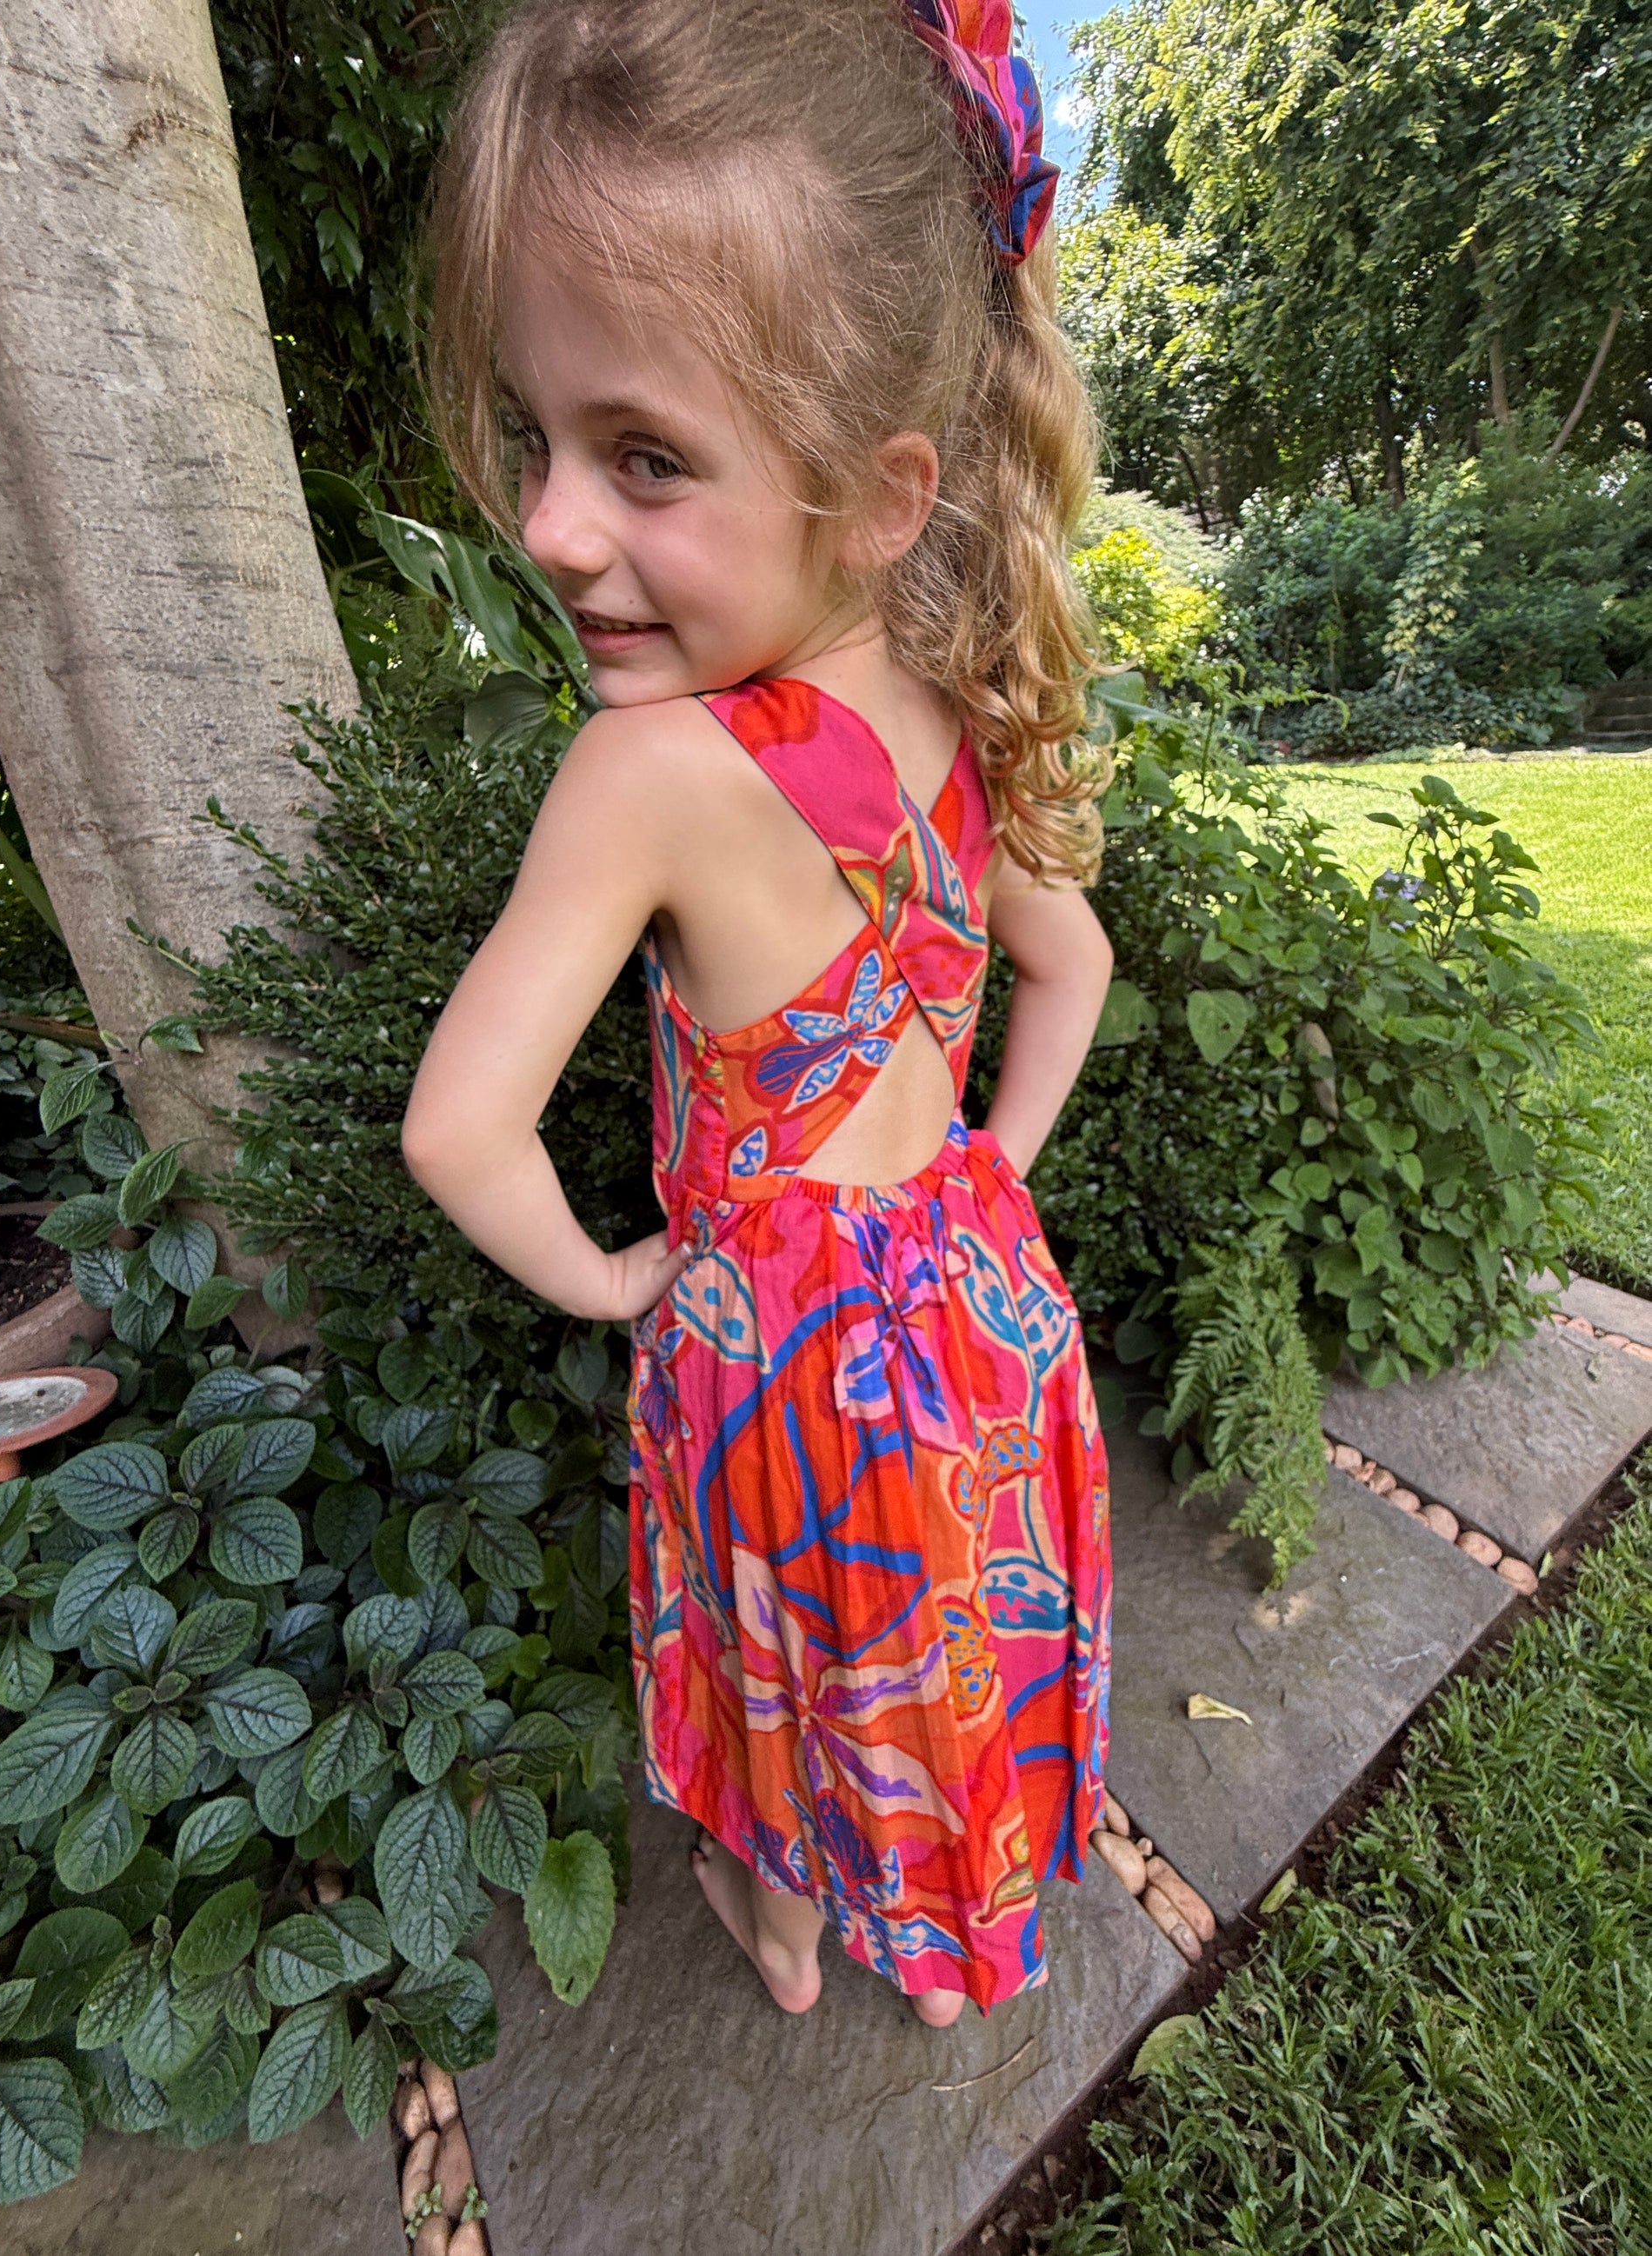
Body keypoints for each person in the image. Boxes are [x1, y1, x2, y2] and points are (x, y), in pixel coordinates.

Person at [403, 0, 1116, 2027]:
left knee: (781, 1646)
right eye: (539, 437)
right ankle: (949, 1938)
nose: (551, 524)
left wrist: (616, 1278)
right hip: (978, 1315)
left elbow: (457, 1128)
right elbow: (1069, 963)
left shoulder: (646, 773)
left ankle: (785, 1925)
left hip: (772, 1355)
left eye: (642, 456)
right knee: (941, 1635)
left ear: (879, 491)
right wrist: (982, 1178)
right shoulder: (961, 710)